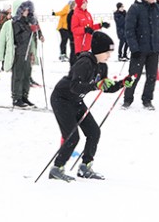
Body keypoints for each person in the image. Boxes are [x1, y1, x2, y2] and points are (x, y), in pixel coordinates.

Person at [48, 32, 133, 182]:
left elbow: (105, 87)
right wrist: (95, 85)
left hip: (76, 101)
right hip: (62, 99)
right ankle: (57, 168)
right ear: (99, 50)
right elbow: (75, 86)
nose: (109, 55)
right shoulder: (84, 63)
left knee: (94, 131)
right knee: (73, 137)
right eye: (107, 52)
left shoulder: (102, 67)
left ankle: (85, 167)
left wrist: (121, 83)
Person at [123, 0, 159, 110]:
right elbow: (129, 30)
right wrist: (134, 48)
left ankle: (147, 99)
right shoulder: (135, 8)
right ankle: (127, 99)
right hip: (139, 50)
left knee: (152, 76)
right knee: (134, 76)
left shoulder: (158, 9)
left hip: (154, 49)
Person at [11, 0, 44, 108]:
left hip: (29, 51)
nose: (27, 11)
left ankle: (25, 96)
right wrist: (29, 31)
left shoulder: (29, 20)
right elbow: (18, 38)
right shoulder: (17, 22)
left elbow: (36, 29)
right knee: (18, 74)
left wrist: (39, 34)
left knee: (27, 74)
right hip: (20, 51)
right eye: (25, 9)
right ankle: (17, 97)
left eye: (28, 9)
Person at [70, 0, 110, 65]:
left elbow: (91, 27)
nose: (85, 4)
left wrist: (100, 25)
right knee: (81, 65)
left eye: (86, 3)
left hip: (88, 45)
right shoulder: (76, 15)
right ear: (79, 4)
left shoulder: (88, 14)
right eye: (83, 3)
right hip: (80, 45)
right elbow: (74, 29)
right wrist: (84, 29)